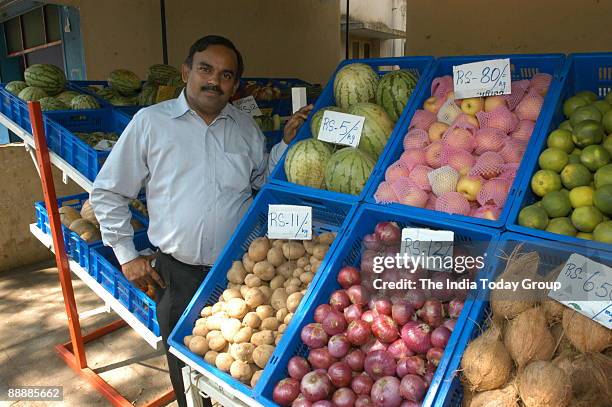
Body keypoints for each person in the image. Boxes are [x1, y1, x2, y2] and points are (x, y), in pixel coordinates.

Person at [90, 35, 312, 407]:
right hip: (179, 274)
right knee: (184, 367)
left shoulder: (245, 127)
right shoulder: (151, 123)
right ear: (186, 71)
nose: (214, 81)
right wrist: (127, 256)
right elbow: (108, 192)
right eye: (205, 69)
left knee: (235, 368)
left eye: (226, 75)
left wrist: (287, 144)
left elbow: (261, 181)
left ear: (235, 84)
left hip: (240, 275)